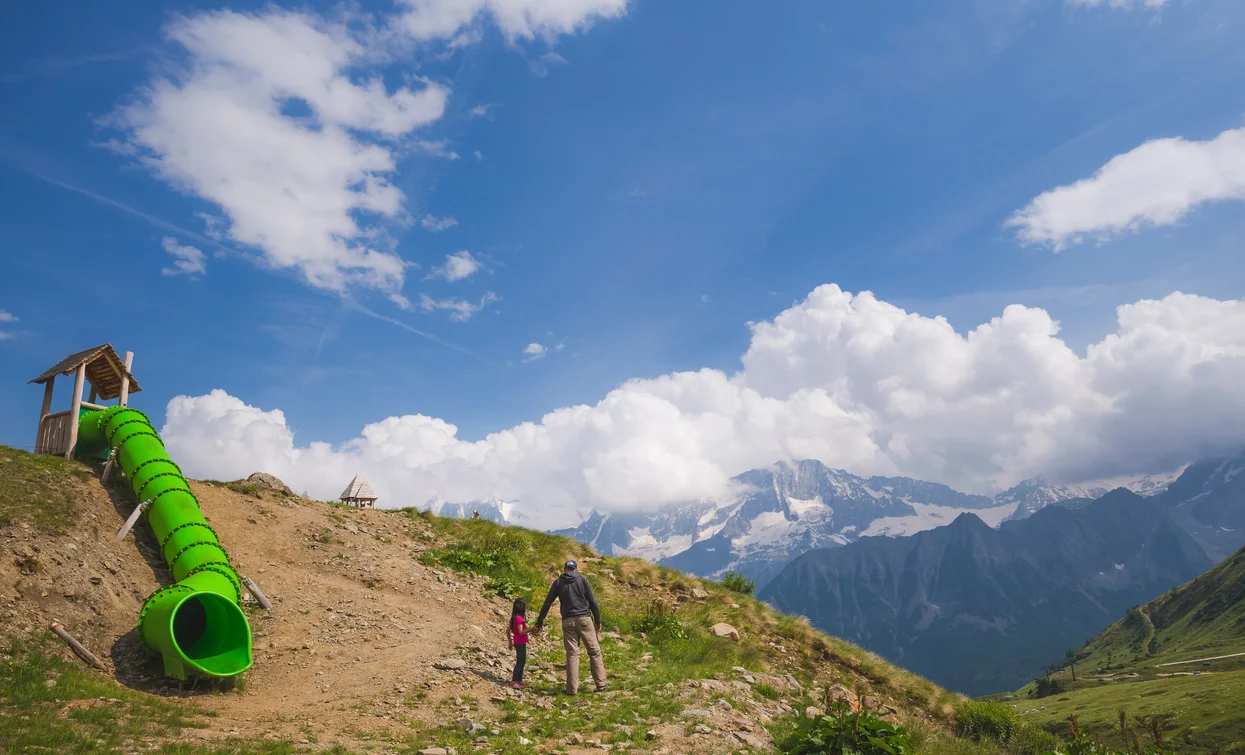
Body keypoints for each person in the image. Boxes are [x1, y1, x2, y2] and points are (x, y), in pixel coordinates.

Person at [533, 559, 607, 695]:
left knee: (572, 655)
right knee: (594, 651)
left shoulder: (559, 582)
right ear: (576, 569)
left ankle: (572, 690)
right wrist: (597, 620)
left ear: (564, 569)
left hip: (568, 621)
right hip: (584, 619)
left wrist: (539, 622)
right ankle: (601, 684)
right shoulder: (582, 579)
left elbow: (548, 602)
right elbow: (592, 601)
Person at [506, 598, 529, 689]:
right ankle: (515, 680)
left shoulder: (514, 618)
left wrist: (510, 642)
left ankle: (518, 680)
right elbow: (521, 632)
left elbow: (507, 630)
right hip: (520, 643)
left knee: (521, 660)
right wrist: (530, 630)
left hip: (517, 642)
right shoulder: (519, 618)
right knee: (521, 661)